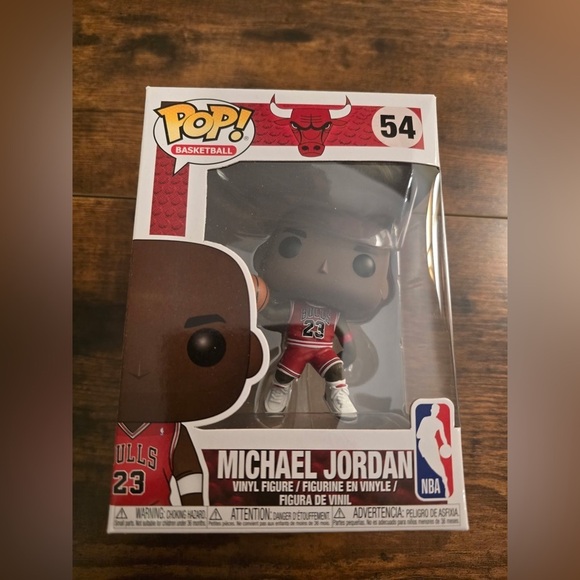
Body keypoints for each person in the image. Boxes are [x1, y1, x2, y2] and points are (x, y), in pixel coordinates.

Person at [254, 209, 393, 421]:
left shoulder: (335, 314)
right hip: (297, 349)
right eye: (292, 245)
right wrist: (257, 300)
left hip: (323, 351)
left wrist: (349, 354)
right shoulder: (295, 307)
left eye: (363, 264)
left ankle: (338, 393)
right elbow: (273, 315)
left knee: (335, 370)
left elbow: (346, 336)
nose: (325, 266)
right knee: (284, 374)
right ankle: (280, 389)